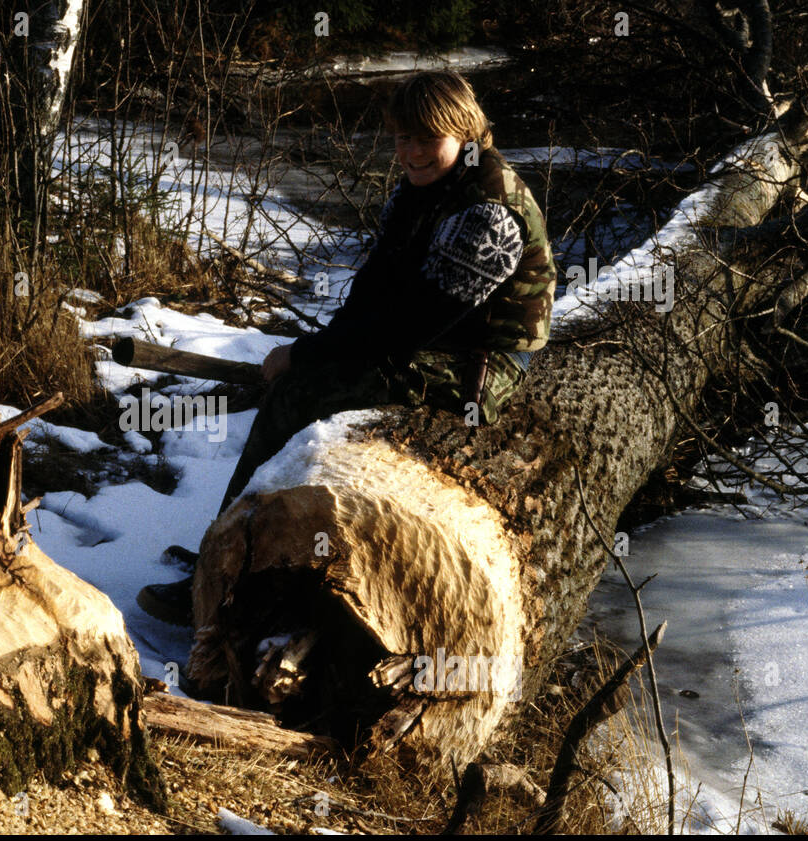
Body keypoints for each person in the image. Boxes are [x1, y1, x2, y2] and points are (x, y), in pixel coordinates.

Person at [138, 69, 556, 625]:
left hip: (479, 363)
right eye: (402, 139)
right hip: (434, 338)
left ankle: (219, 583)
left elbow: (408, 327)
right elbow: (374, 293)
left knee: (298, 395)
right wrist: (319, 344)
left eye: (426, 138)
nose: (409, 153)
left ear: (464, 132)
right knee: (299, 386)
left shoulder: (486, 211)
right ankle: (229, 549)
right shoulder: (422, 188)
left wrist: (309, 357)